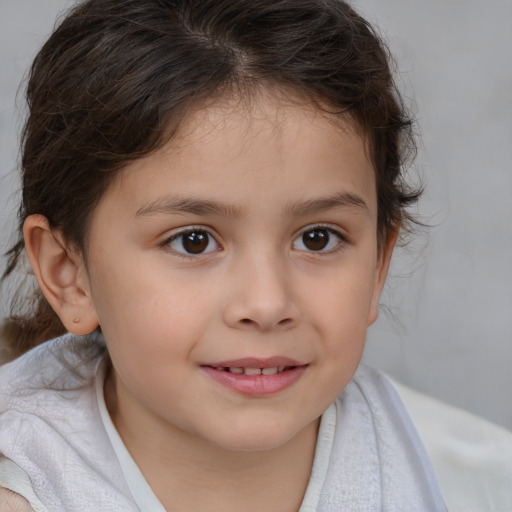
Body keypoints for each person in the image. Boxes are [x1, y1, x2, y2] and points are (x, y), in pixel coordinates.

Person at [0, 1, 507, 511]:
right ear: (69, 274)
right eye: (193, 241)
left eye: (317, 238)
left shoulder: (473, 484)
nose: (266, 304)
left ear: (377, 264)